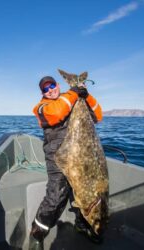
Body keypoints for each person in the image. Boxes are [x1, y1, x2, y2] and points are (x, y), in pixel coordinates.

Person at [29, 76, 103, 249]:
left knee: (81, 192)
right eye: (46, 89)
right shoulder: (42, 107)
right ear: (42, 93)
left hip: (79, 155)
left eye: (52, 86)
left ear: (58, 85)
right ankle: (37, 234)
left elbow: (98, 115)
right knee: (56, 196)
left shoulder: (72, 99)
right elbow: (56, 113)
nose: (50, 90)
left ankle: (82, 225)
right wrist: (73, 93)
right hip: (57, 158)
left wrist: (86, 95)